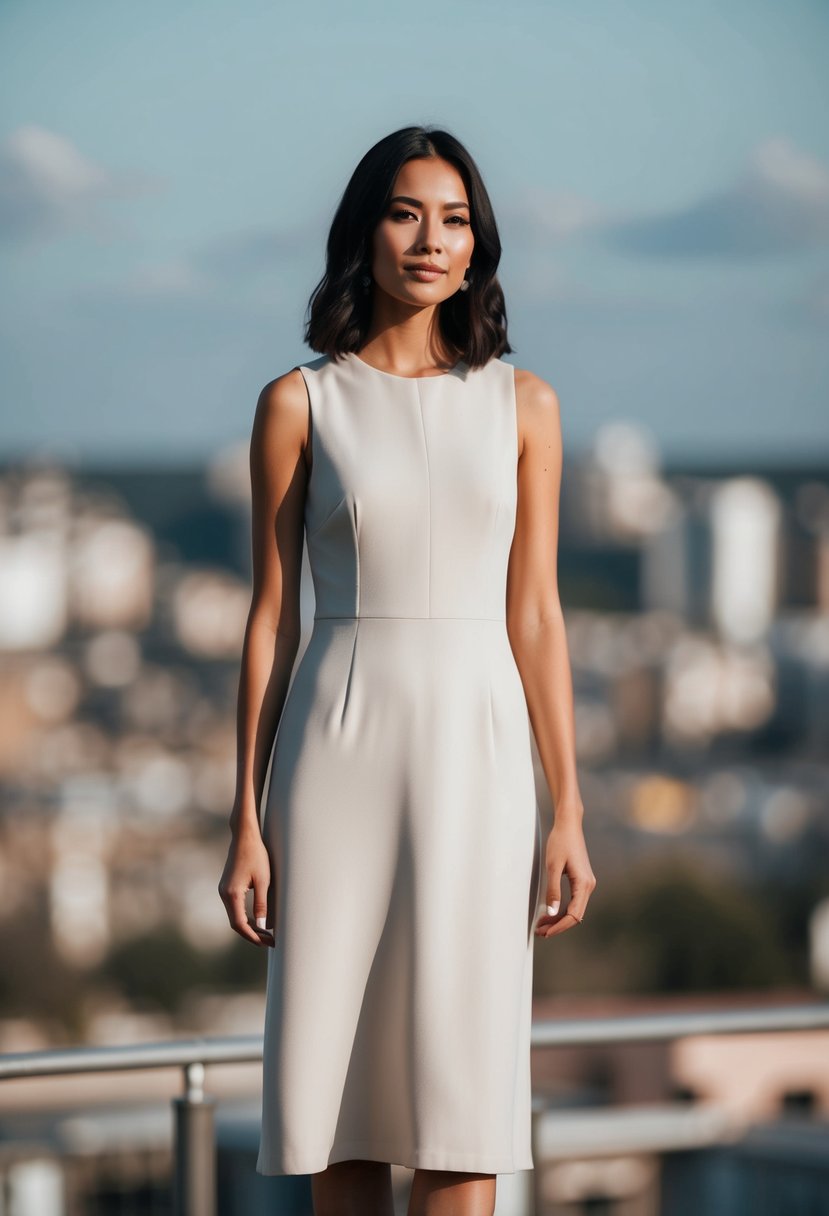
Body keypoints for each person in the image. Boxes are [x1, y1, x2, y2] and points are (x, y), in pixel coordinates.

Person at [218, 124, 597, 1216]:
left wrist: (566, 807)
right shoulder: (299, 403)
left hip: (479, 758)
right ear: (363, 234)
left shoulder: (525, 406)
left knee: (459, 1099)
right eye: (406, 212)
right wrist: (243, 815)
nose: (432, 239)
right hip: (333, 750)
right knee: (336, 1108)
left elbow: (535, 614)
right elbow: (270, 620)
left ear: (478, 247)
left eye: (457, 217)